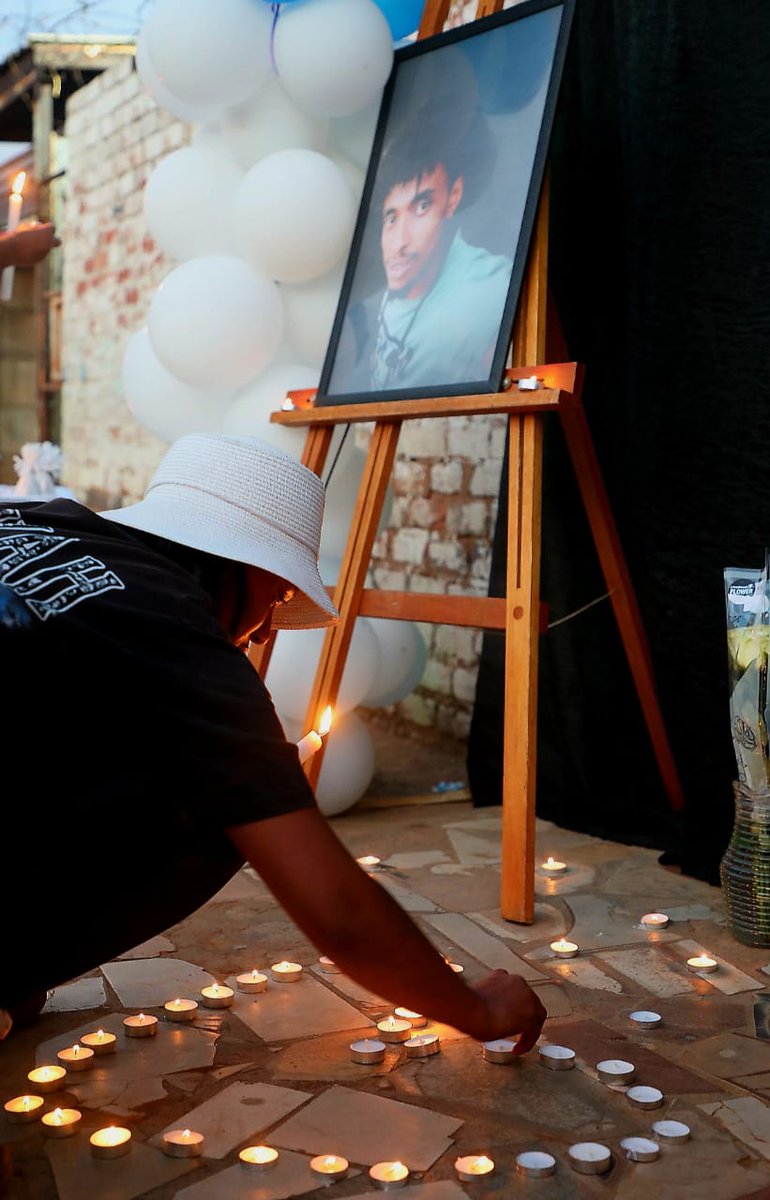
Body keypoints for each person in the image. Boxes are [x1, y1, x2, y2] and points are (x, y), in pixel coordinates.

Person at [0, 432, 546, 1051]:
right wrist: (476, 1009)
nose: (263, 632)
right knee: (226, 810)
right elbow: (336, 909)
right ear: (253, 567)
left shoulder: (32, 518)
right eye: (282, 595)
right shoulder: (180, 636)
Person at [332, 113, 512, 395]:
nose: (400, 242)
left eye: (421, 207)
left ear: (453, 197)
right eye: (391, 218)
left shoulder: (490, 285)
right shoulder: (376, 298)